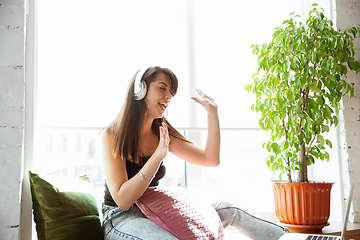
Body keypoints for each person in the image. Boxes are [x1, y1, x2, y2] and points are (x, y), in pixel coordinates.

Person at [99, 66, 287, 240]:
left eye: (171, 92)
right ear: (140, 89)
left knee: (231, 210)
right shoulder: (111, 135)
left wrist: (212, 113)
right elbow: (123, 200)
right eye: (162, 88)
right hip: (121, 217)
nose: (168, 96)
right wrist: (157, 157)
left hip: (157, 210)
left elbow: (210, 159)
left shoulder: (162, 131)